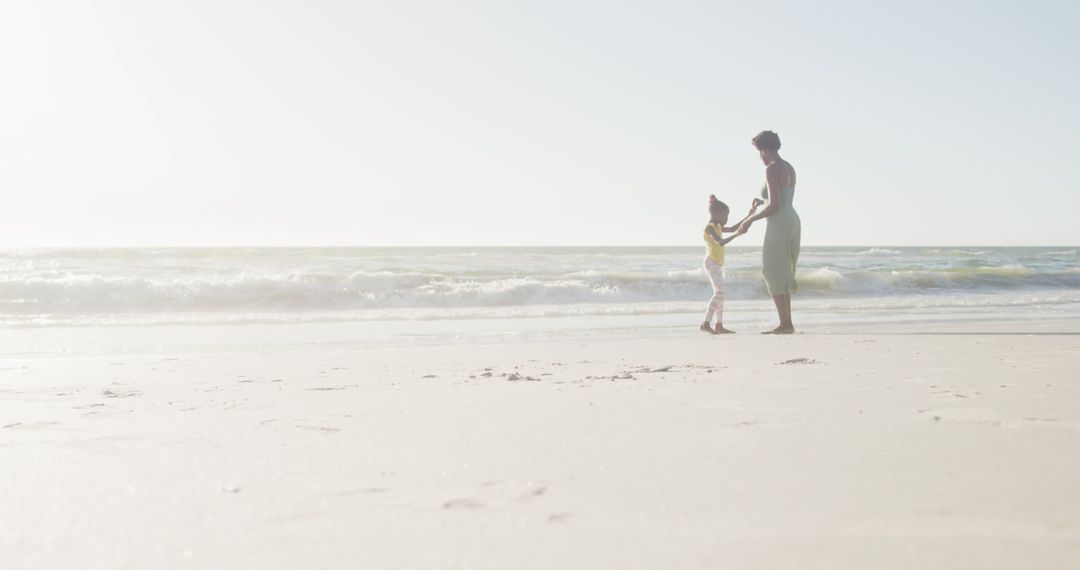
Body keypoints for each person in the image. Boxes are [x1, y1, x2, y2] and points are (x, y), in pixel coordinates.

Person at [738, 130, 801, 334]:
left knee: (772, 271)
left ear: (764, 150)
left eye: (759, 151)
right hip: (791, 218)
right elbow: (780, 199)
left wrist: (750, 219)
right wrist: (759, 202)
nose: (760, 157)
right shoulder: (789, 167)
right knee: (783, 272)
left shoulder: (772, 169)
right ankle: (787, 323)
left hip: (779, 221)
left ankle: (785, 323)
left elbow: (774, 205)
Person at [700, 195, 756, 335]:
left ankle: (719, 325)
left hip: (717, 264)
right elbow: (720, 242)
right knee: (719, 293)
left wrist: (749, 216)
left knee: (720, 294)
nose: (726, 219)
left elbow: (732, 228)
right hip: (711, 263)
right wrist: (738, 234)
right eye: (725, 216)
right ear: (716, 214)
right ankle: (705, 323)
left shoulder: (718, 225)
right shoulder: (709, 228)